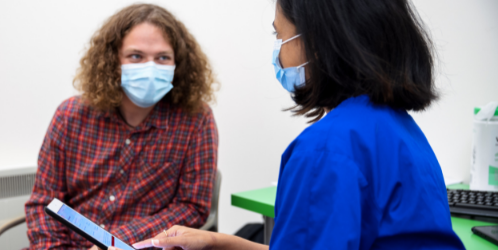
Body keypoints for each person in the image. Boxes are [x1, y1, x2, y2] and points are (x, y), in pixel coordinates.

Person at [122, 0, 467, 249]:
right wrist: (218, 242)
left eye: (280, 36)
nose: (278, 53)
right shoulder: (396, 129)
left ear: (318, 43)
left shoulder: (326, 150)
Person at [24, 4, 219, 249]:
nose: (150, 67)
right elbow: (44, 202)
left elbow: (192, 207)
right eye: (136, 56)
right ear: (113, 60)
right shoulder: (70, 115)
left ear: (177, 63)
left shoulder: (195, 119)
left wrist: (114, 242)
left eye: (162, 58)